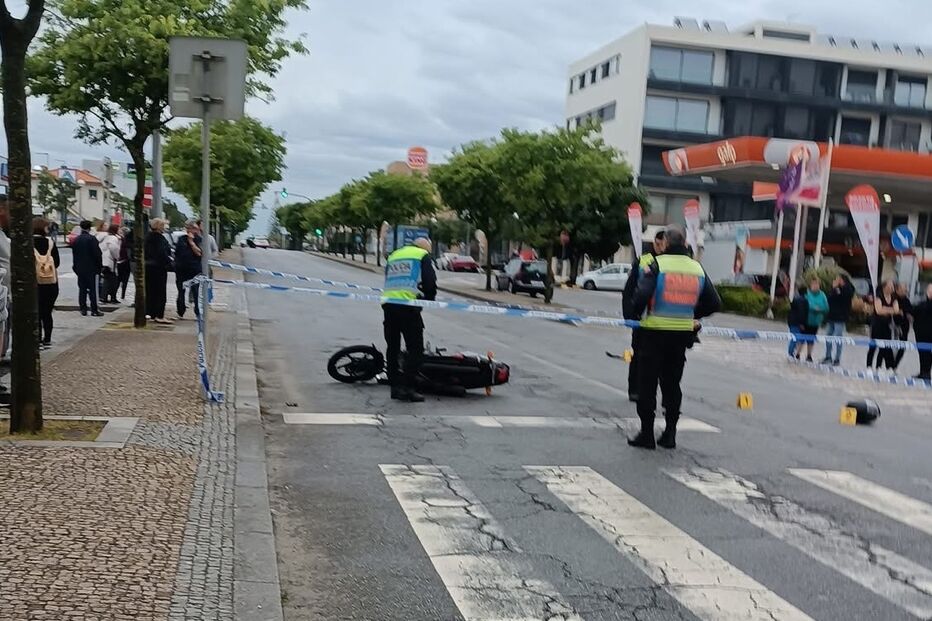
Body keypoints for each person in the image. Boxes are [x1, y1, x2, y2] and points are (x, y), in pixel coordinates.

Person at [628, 225, 721, 450]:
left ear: (667, 243)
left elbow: (641, 295)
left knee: (648, 384)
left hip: (654, 332)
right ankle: (670, 433)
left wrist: (636, 314)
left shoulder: (657, 265)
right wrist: (692, 313)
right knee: (672, 384)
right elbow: (714, 302)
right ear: (685, 244)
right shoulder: (697, 268)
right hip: (680, 335)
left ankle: (647, 434)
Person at [381, 237, 437, 402]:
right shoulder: (422, 255)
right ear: (425, 248)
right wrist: (428, 299)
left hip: (389, 304)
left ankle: (395, 387)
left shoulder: (394, 255)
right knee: (415, 349)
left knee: (393, 347)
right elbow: (429, 282)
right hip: (408, 306)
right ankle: (408, 388)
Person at [622, 230, 666, 402]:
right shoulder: (643, 260)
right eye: (658, 244)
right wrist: (630, 316)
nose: (660, 247)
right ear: (654, 242)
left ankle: (652, 393)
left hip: (662, 319)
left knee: (659, 360)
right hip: (642, 319)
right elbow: (629, 290)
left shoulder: (669, 262)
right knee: (638, 356)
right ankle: (634, 390)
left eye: (663, 244)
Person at [33, 217, 60, 348]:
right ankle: (47, 338)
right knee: (47, 312)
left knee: (36, 312)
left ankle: (37, 339)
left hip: (35, 283)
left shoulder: (27, 243)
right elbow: (57, 263)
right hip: (50, 283)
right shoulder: (50, 243)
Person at [72, 220, 103, 317]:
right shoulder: (92, 239)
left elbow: (74, 255)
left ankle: (83, 309)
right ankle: (94, 310)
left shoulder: (76, 239)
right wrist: (99, 267)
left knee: (82, 289)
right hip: (92, 268)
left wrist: (75, 267)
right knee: (93, 289)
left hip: (80, 268)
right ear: (90, 228)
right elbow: (97, 254)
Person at [144, 218, 173, 323]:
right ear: (159, 226)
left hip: (148, 266)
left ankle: (150, 313)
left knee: (150, 291)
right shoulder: (160, 239)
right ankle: (159, 315)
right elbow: (162, 253)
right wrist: (169, 261)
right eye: (163, 226)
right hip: (159, 267)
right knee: (160, 292)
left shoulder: (147, 237)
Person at [867, 280, 900, 370]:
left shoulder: (894, 298)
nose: (892, 288)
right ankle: (869, 366)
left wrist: (885, 308)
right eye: (890, 286)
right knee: (873, 347)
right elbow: (879, 311)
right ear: (884, 287)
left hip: (887, 325)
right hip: (877, 325)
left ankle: (879, 366)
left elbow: (896, 310)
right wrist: (890, 309)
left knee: (884, 347)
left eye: (892, 286)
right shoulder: (878, 297)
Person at [822, 274, 855, 366]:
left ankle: (837, 358)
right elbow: (830, 298)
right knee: (828, 336)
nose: (836, 280)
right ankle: (828, 356)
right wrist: (834, 288)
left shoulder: (848, 288)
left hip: (840, 317)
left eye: (837, 278)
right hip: (831, 316)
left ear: (842, 279)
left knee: (838, 337)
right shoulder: (835, 288)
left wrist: (836, 288)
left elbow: (844, 296)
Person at [175, 220, 203, 319]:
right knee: (181, 290)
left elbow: (199, 253)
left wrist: (191, 242)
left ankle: (197, 311)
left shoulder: (199, 239)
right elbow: (179, 253)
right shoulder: (181, 239)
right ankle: (180, 310)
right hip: (182, 269)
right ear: (188, 229)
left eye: (197, 229)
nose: (196, 231)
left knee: (195, 291)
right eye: (194, 228)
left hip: (194, 269)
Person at [800, 278, 829, 363]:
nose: (815, 286)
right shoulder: (807, 294)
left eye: (817, 284)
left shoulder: (822, 295)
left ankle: (809, 355)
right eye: (814, 284)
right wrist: (813, 308)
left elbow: (826, 307)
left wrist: (820, 309)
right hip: (806, 320)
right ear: (810, 285)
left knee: (811, 339)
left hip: (816, 321)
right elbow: (805, 304)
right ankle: (797, 354)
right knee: (801, 338)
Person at [913, 284, 932, 381]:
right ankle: (923, 372)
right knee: (922, 353)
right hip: (920, 333)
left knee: (927, 353)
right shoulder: (923, 303)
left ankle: (926, 372)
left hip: (928, 333)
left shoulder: (924, 305)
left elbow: (919, 309)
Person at [98, 223, 121, 304]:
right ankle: (107, 297)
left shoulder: (105, 237)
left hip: (104, 260)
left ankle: (108, 297)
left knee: (109, 280)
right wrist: (117, 257)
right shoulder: (113, 238)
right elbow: (113, 248)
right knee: (111, 280)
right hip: (110, 262)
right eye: (118, 229)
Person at [892, 283, 913, 371]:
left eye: (905, 289)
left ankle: (894, 366)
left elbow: (910, 311)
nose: (905, 291)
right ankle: (889, 365)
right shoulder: (893, 299)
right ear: (897, 290)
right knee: (891, 346)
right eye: (903, 289)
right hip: (894, 326)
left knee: (902, 347)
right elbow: (895, 312)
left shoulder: (906, 300)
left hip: (904, 327)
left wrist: (908, 315)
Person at [787, 285, 809, 360]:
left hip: (791, 321)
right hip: (797, 322)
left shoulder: (795, 299)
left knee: (794, 337)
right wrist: (802, 323)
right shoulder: (804, 301)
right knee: (795, 338)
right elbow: (802, 312)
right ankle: (791, 354)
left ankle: (791, 353)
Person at [117, 227, 132, 301]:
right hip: (126, 261)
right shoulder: (128, 241)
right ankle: (123, 294)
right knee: (125, 279)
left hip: (121, 261)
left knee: (119, 279)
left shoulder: (120, 240)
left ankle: (116, 294)